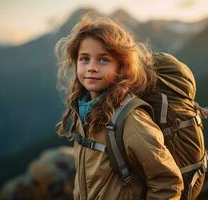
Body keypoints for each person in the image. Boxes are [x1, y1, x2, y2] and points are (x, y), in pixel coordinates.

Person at [55, 13, 183, 200]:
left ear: (122, 67)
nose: (91, 67)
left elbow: (167, 182)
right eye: (84, 59)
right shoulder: (82, 111)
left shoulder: (131, 120)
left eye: (103, 59)